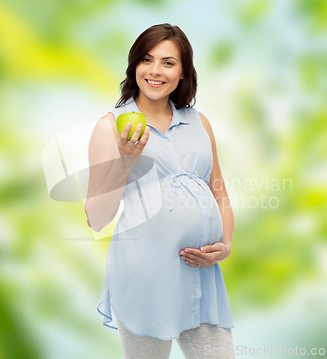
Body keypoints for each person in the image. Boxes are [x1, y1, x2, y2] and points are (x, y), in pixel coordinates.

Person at [85, 23, 236, 359]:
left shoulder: (200, 122)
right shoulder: (110, 127)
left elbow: (220, 193)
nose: (155, 71)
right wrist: (124, 162)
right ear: (134, 66)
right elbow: (96, 218)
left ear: (183, 72)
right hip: (145, 278)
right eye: (147, 60)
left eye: (168, 63)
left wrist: (224, 245)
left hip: (202, 276)